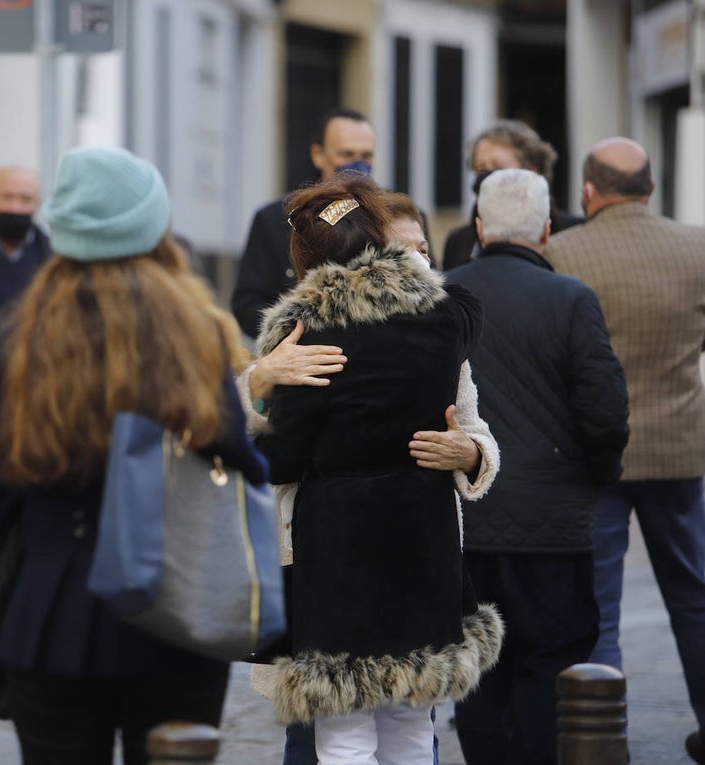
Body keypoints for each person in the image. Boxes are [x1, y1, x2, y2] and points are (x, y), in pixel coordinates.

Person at [0, 146, 268, 765]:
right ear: (151, 228)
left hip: (50, 613)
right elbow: (241, 463)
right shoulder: (194, 331)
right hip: (177, 607)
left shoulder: (19, 335)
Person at [252, 173, 503, 764]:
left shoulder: (305, 331)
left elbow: (280, 457)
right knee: (414, 727)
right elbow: (464, 307)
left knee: (343, 733)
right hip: (423, 535)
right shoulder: (448, 315)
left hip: (338, 548)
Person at [443, 169, 630, 764]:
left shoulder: (442, 297)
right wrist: (595, 478)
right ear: (548, 230)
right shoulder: (572, 299)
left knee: (476, 669)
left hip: (465, 522)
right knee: (551, 667)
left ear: (477, 228)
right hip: (554, 525)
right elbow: (604, 412)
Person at [543, 137, 705, 764]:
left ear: (588, 191)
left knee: (599, 607)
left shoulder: (560, 253)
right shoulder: (696, 248)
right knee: (693, 596)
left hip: (591, 456)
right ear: (651, 189)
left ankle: (601, 740)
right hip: (678, 452)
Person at [231, 108, 376, 338]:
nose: (358, 165)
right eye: (347, 154)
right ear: (318, 155)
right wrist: (296, 330)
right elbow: (247, 304)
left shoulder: (396, 217)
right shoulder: (277, 219)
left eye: (367, 156)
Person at [441, 119, 582, 271]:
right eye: (480, 169)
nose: (488, 177)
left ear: (532, 171)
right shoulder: (460, 242)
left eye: (498, 168)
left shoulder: (573, 232)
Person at [0, 164, 51, 335]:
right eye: (7, 197)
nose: (16, 208)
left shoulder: (54, 259)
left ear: (38, 204)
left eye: (26, 200)